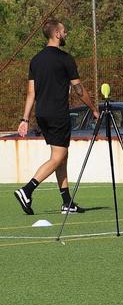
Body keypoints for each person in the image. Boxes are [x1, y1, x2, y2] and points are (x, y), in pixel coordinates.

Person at [13, 19, 99, 216]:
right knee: (58, 156)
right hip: (58, 114)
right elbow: (79, 89)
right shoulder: (65, 59)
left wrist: (24, 119)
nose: (66, 34)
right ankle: (27, 190)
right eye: (64, 31)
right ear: (57, 34)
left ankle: (67, 202)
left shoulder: (36, 60)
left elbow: (31, 93)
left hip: (42, 114)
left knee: (62, 155)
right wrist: (93, 108)